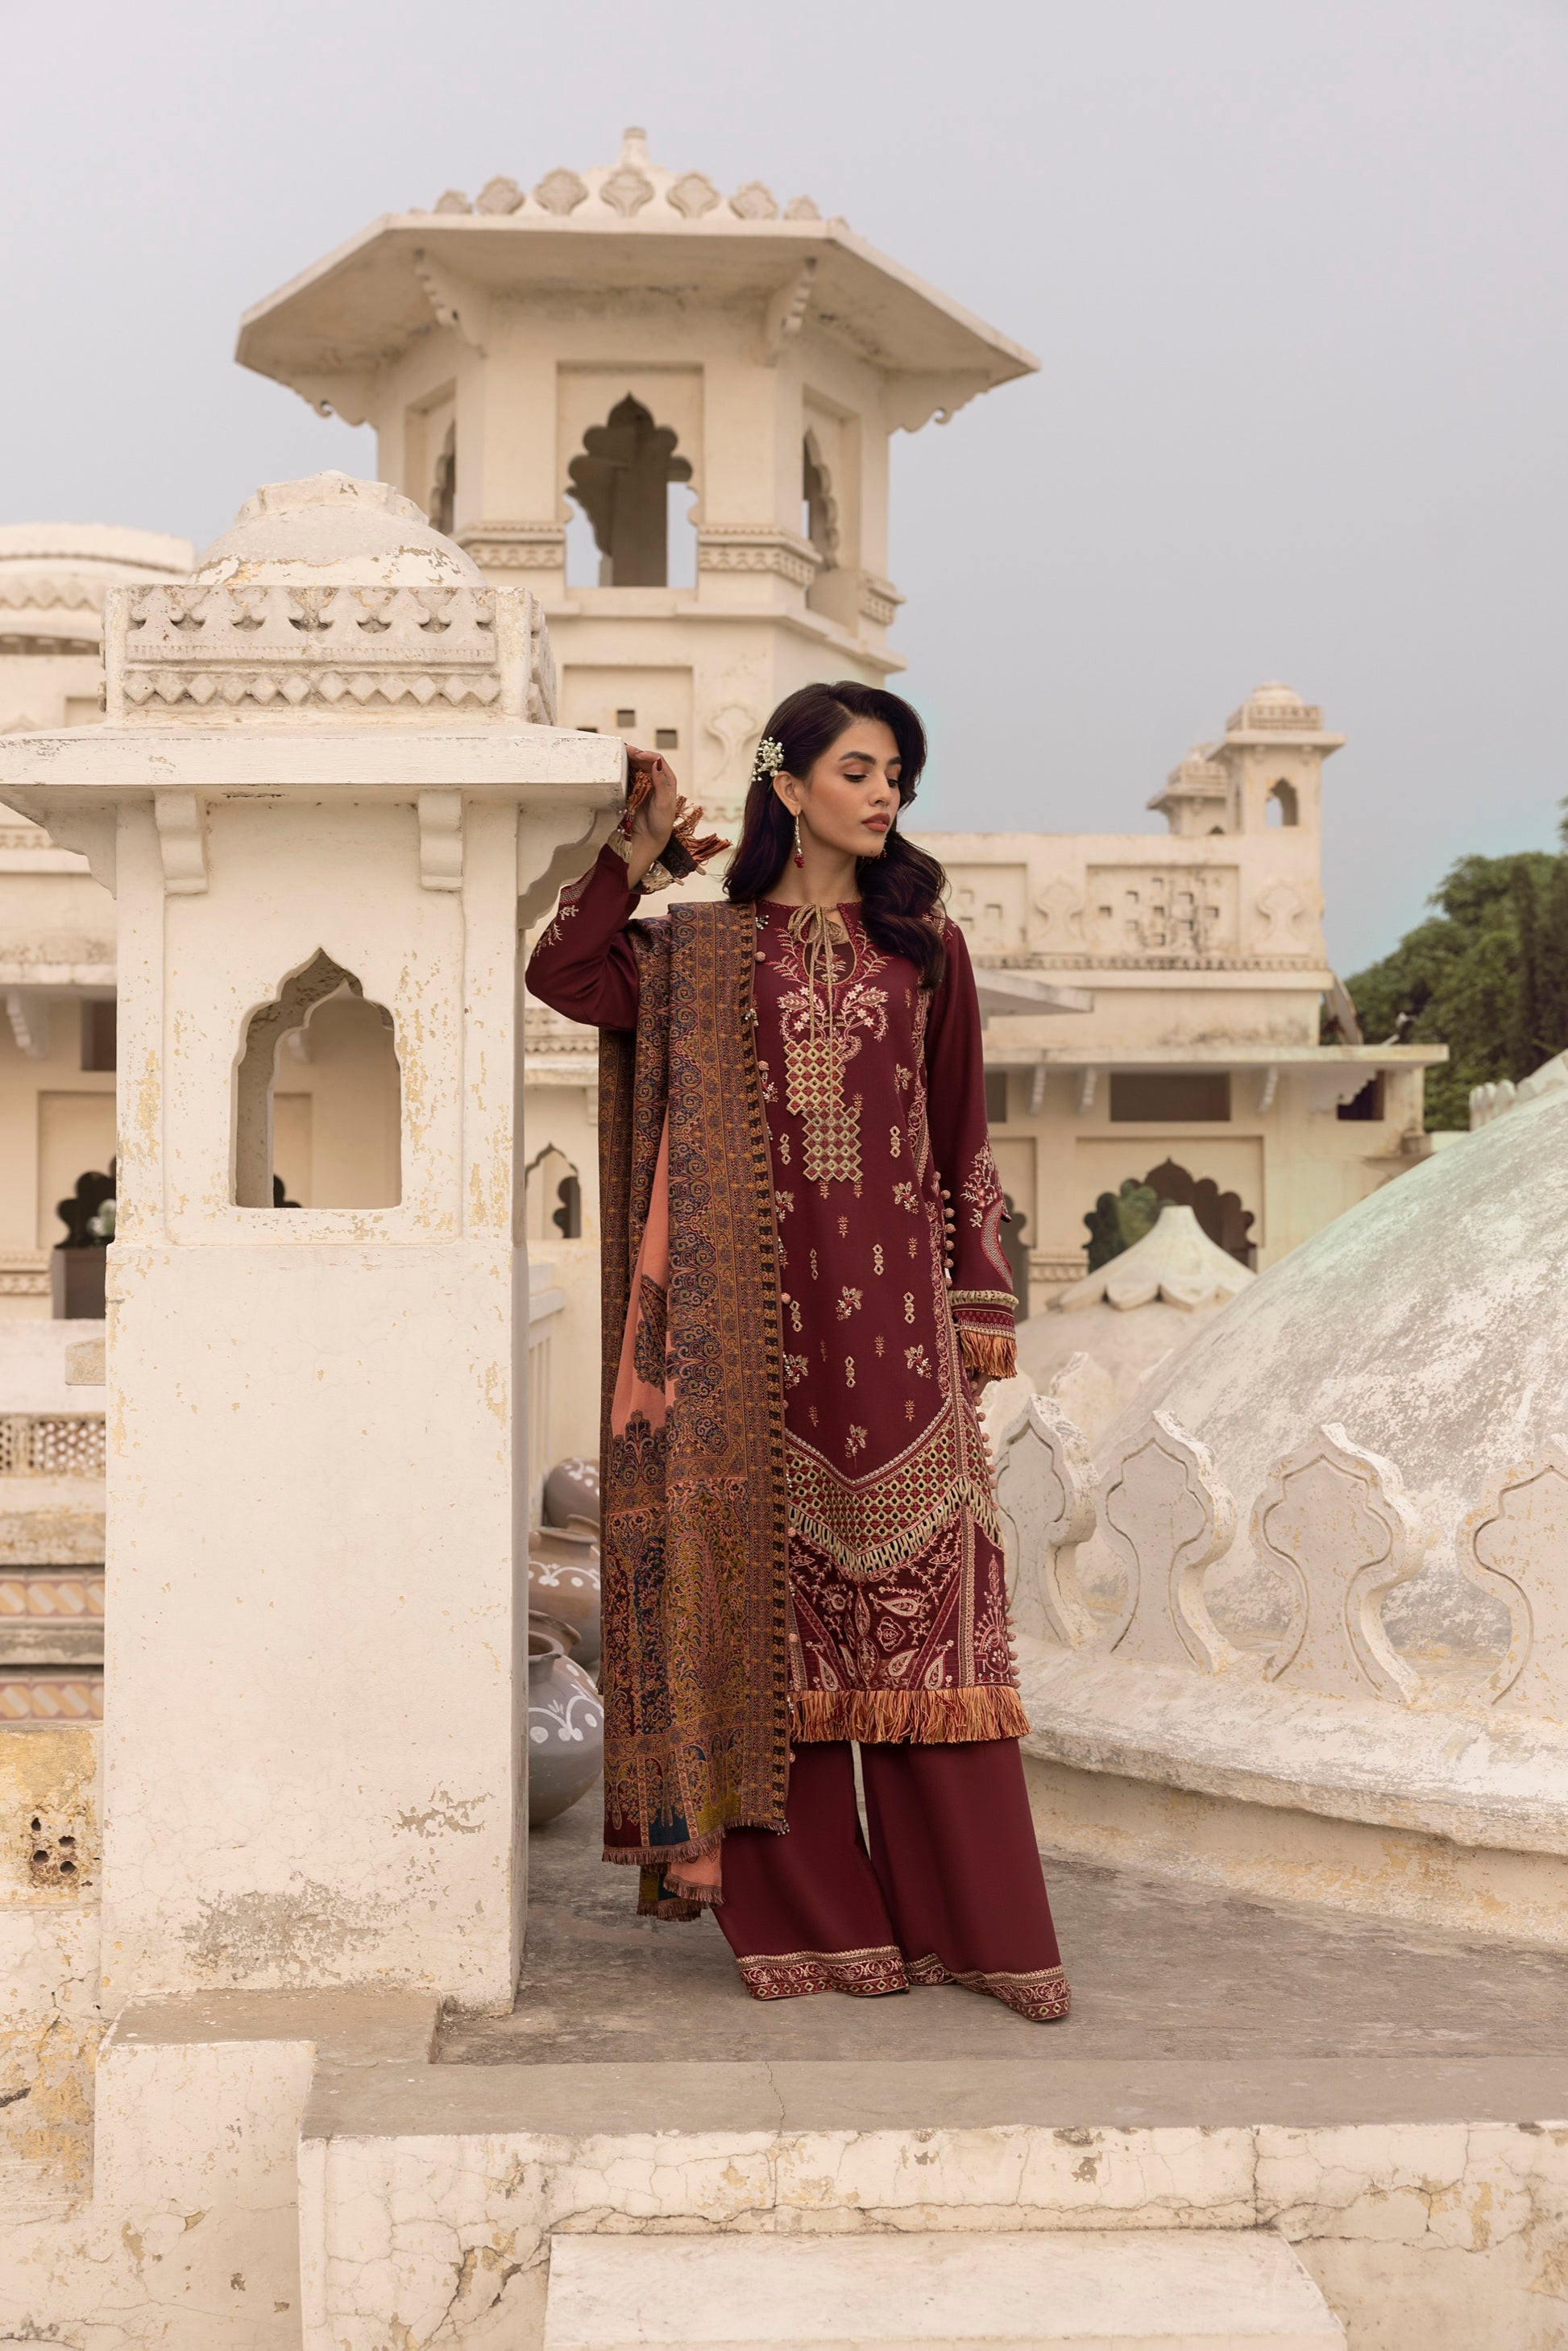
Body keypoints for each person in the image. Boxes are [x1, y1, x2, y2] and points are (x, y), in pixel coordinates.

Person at [527, 680, 1068, 2021]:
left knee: (934, 1636)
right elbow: (565, 974)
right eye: (861, 770)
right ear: (788, 783)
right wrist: (632, 858)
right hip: (744, 1353)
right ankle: (822, 1925)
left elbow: (961, 1143)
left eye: (900, 775)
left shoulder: (923, 948)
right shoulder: (703, 953)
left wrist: (976, 1298)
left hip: (895, 1350)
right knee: (774, 1630)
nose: (885, 794)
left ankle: (980, 1934)